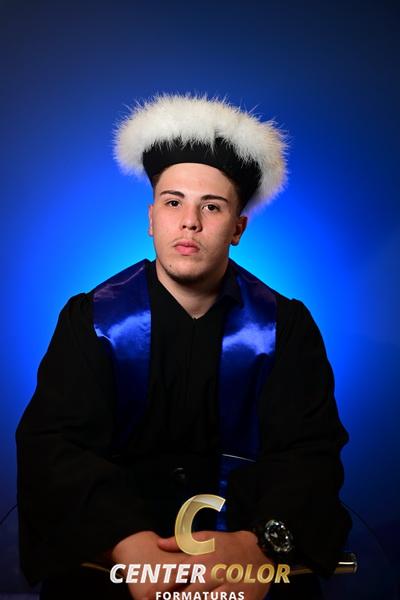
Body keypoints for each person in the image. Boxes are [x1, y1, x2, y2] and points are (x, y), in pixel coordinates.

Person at [16, 93, 352, 600]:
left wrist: (259, 545)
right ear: (152, 217)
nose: (190, 221)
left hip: (241, 569)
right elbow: (54, 448)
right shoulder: (93, 320)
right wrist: (126, 543)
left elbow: (310, 455)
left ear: (237, 228)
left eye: (211, 206)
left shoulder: (285, 328)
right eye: (173, 202)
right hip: (112, 567)